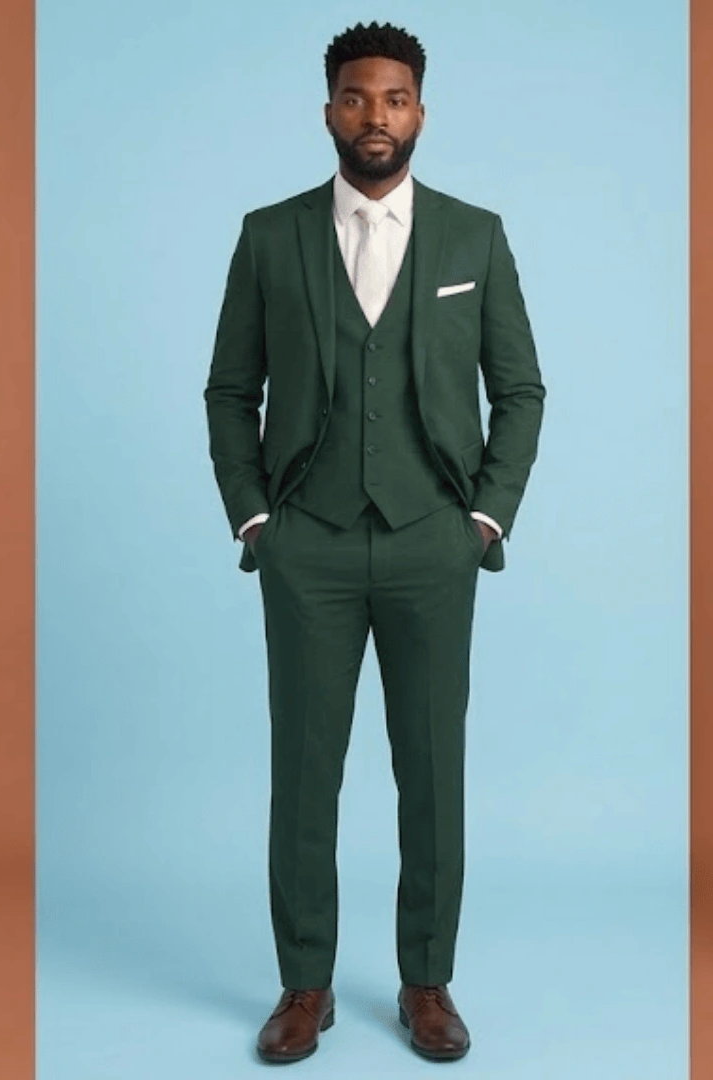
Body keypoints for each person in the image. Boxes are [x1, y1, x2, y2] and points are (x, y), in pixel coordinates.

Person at [203, 21, 545, 1065]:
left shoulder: (474, 237)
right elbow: (230, 389)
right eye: (356, 98)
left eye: (395, 99)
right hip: (305, 543)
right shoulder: (270, 235)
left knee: (431, 772)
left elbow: (520, 390)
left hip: (431, 544)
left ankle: (427, 982)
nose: (375, 117)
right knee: (304, 773)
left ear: (421, 113)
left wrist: (484, 516)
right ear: (329, 112)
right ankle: (304, 983)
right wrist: (255, 514)